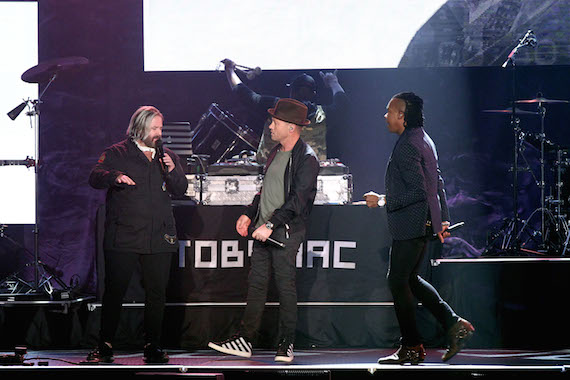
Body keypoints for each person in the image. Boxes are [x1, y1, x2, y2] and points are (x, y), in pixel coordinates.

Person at [365, 92, 474, 364]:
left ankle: (412, 346)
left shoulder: (407, 146)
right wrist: (443, 218)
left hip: (412, 224)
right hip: (422, 222)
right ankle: (453, 324)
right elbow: (436, 181)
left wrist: (382, 200)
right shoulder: (423, 139)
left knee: (397, 281)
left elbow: (419, 190)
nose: (386, 116)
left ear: (402, 115)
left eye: (390, 111)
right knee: (410, 279)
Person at [208, 98, 319, 363]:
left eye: (276, 122)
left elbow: (298, 200)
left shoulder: (306, 158)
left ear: (292, 127)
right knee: (256, 286)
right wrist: (249, 213)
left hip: (284, 231)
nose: (270, 126)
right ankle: (245, 339)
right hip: (263, 230)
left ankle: (286, 343)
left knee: (285, 286)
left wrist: (271, 224)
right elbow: (264, 191)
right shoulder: (274, 153)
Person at [86, 106, 188, 364]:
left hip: (159, 235)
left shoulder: (167, 156)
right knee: (115, 291)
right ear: (139, 128)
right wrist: (116, 176)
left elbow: (180, 188)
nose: (158, 133)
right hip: (125, 234)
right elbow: (95, 176)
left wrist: (173, 168)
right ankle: (105, 344)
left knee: (157, 293)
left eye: (160, 128)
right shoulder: (118, 152)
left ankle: (153, 345)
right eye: (154, 128)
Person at [221, 58, 349, 163]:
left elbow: (244, 95)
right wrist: (333, 82)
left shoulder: (275, 107)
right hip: (309, 181)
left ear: (291, 91)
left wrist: (230, 71)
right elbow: (343, 104)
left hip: (272, 179)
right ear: (313, 94)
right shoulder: (323, 115)